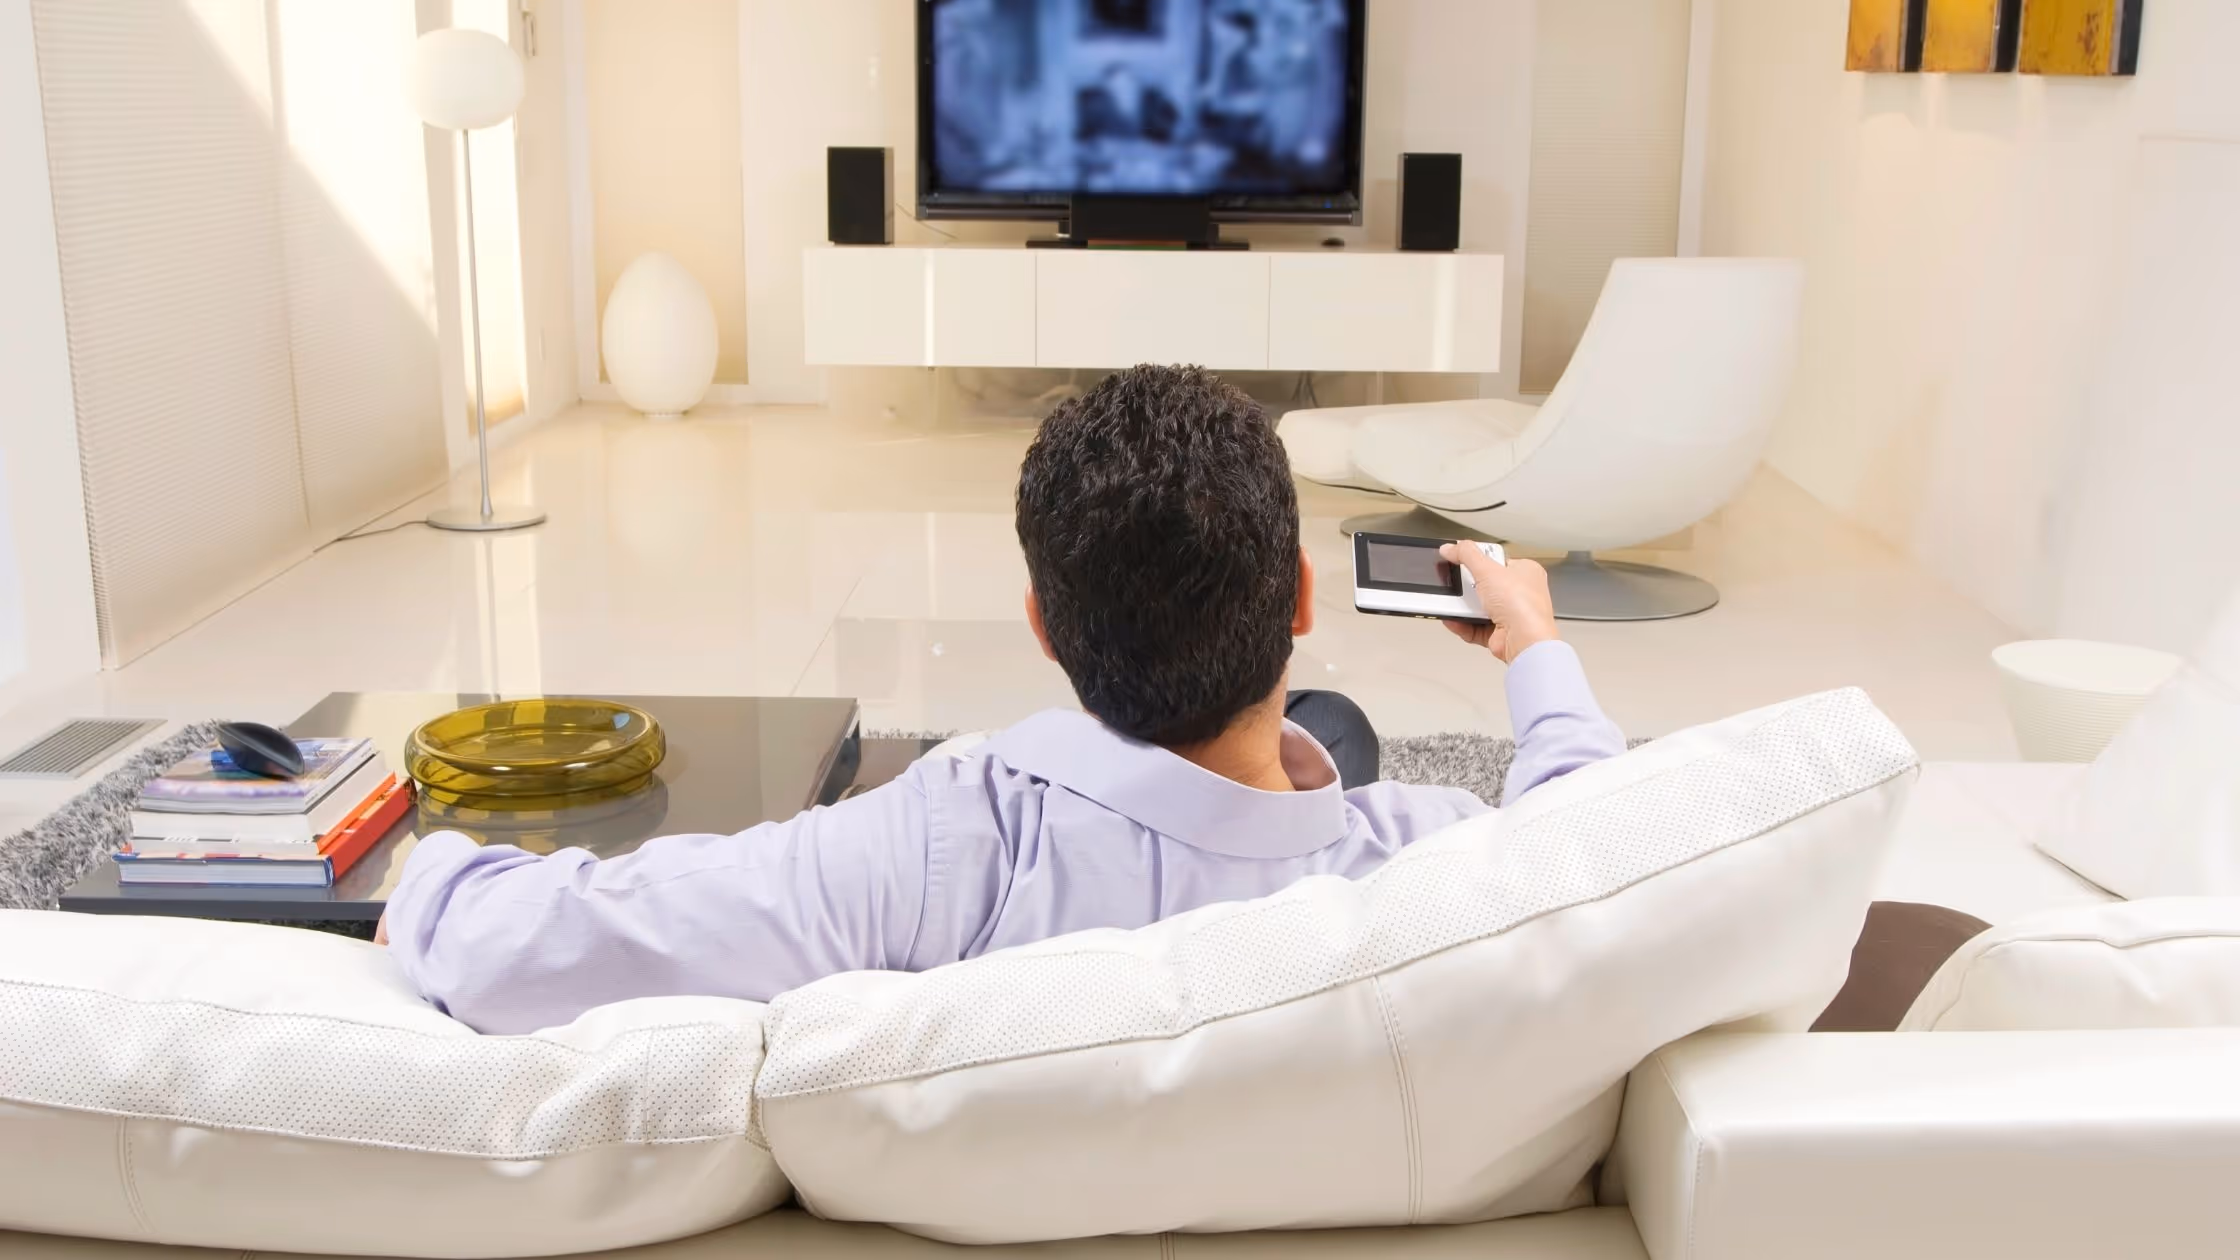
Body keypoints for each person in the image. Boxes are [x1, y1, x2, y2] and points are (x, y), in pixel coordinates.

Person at [380, 366, 1626, 1034]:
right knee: (1332, 742)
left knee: (1325, 737)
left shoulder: (931, 850)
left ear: (1042, 628)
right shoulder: (1440, 864)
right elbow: (1604, 837)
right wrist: (1533, 653)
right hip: (1307, 835)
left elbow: (545, 945)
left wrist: (429, 893)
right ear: (1299, 597)